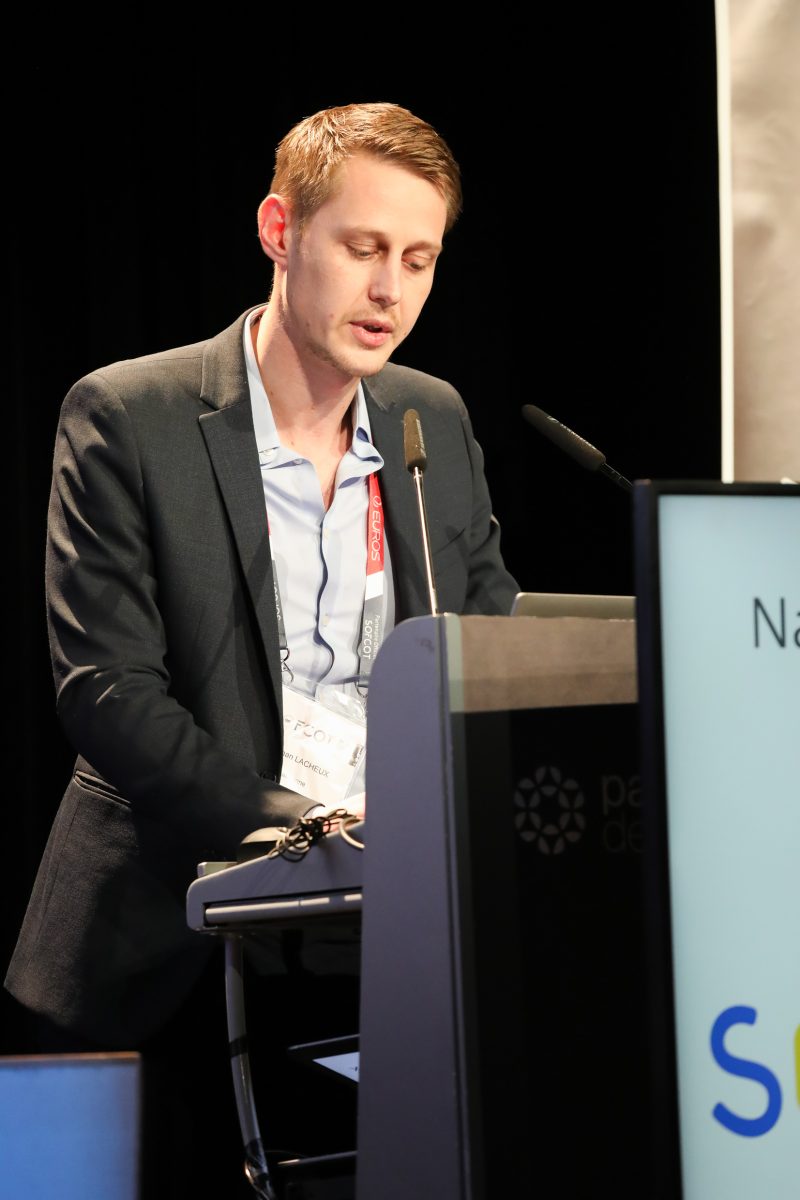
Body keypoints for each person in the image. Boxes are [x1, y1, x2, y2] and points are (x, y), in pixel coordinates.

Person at [5, 101, 519, 1196]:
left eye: (419, 260)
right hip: (168, 944)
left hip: (387, 942)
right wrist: (311, 829)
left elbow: (488, 646)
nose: (390, 291)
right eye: (364, 248)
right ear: (280, 232)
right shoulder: (128, 415)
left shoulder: (429, 421)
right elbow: (108, 692)